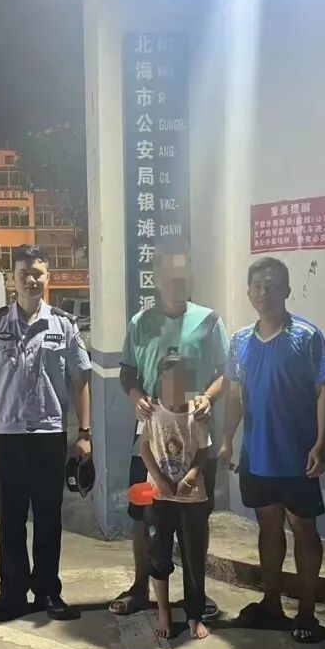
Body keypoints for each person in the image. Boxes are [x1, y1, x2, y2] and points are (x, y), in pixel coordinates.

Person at [0, 245, 92, 623]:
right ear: (13, 280)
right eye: (24, 274)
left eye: (37, 273)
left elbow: (80, 380)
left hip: (49, 433)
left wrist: (84, 432)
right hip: (7, 434)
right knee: (12, 518)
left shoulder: (64, 326)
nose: (31, 280)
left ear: (47, 277)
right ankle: (13, 594)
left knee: (49, 517)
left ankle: (48, 591)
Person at [110, 236, 229, 619]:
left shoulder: (209, 321)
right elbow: (127, 371)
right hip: (151, 438)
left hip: (194, 440)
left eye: (184, 274)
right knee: (143, 516)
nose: (178, 281)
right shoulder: (140, 323)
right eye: (170, 275)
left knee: (195, 519)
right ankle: (140, 588)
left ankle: (197, 595)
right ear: (157, 278)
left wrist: (208, 397)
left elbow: (225, 373)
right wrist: (136, 397)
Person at [219, 257, 325, 643]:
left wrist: (321, 443)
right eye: (256, 285)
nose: (263, 292)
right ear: (248, 292)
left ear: (286, 290)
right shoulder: (240, 341)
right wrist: (227, 438)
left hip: (297, 457)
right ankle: (271, 602)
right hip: (257, 457)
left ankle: (307, 610)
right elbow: (234, 396)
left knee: (303, 529)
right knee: (268, 528)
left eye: (271, 285)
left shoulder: (306, 336)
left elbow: (324, 390)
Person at [140, 351, 212, 640]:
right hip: (159, 498)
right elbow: (144, 448)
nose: (173, 386)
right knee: (158, 556)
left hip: (191, 500)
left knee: (194, 559)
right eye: (168, 379)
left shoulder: (197, 412)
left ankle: (195, 615)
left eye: (180, 379)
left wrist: (191, 475)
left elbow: (204, 450)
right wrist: (159, 479)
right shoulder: (152, 411)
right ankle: (163, 610)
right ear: (160, 381)